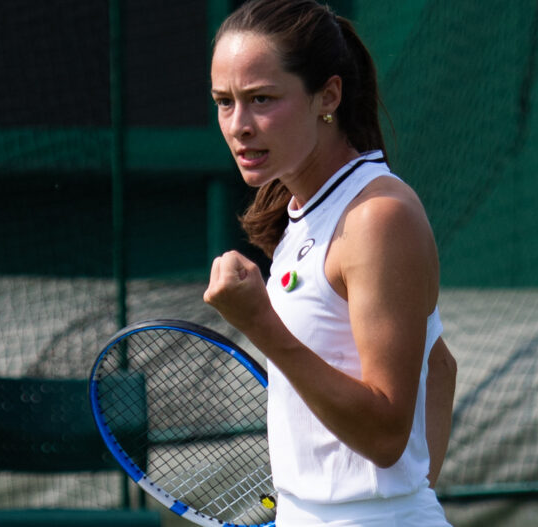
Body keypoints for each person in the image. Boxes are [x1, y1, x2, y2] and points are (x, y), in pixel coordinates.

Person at [202, 0, 457, 525]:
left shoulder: (377, 216)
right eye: (224, 102)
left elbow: (386, 435)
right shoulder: (303, 212)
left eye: (262, 99)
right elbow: (440, 366)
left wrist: (260, 325)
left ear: (329, 96)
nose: (239, 125)